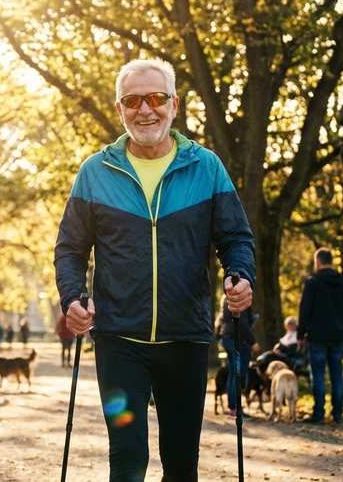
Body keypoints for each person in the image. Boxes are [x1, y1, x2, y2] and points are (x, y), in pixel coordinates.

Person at [54, 57, 255, 482]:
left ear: (174, 104)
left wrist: (240, 275)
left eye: (156, 98)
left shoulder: (206, 167)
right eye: (132, 101)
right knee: (127, 460)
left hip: (186, 337)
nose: (145, 109)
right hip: (119, 340)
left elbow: (236, 238)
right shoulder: (95, 172)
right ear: (119, 109)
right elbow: (70, 249)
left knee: (181, 465)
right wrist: (73, 297)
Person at [298, 247, 343, 424]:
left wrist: (301, 334)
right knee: (337, 374)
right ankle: (337, 414)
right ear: (331, 261)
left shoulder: (313, 283)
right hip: (337, 335)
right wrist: (338, 319)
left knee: (318, 375)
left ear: (318, 262)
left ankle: (319, 413)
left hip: (317, 336)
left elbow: (305, 310)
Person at [218, 296, 260, 419]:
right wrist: (252, 342)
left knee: (233, 373)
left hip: (227, 337)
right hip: (237, 339)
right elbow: (243, 323)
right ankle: (236, 409)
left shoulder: (227, 298)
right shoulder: (240, 296)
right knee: (239, 375)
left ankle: (232, 408)